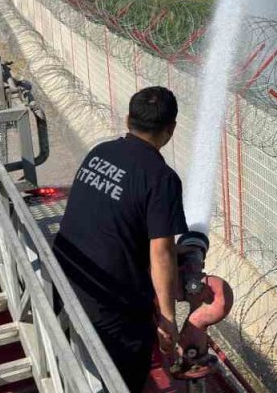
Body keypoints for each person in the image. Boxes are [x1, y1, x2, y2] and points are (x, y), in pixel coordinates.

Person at [52, 86, 188, 391]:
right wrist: (167, 319)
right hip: (111, 311)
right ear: (171, 129)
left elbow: (112, 216)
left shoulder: (100, 152)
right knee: (121, 380)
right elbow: (162, 253)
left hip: (63, 284)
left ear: (128, 119)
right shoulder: (161, 177)